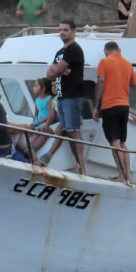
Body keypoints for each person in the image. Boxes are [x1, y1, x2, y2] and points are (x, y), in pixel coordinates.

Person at [45, 21, 87, 174]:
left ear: (74, 32)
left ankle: (82, 168)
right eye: (60, 30)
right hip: (61, 96)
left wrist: (57, 70)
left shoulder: (74, 50)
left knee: (74, 130)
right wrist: (58, 70)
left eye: (66, 30)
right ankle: (77, 165)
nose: (62, 32)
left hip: (72, 95)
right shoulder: (59, 52)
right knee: (69, 131)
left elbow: (56, 69)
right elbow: (49, 74)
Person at [93, 41, 136, 182]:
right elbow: (134, 84)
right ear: (119, 50)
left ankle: (121, 175)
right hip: (124, 105)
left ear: (106, 51)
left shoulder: (104, 62)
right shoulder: (128, 63)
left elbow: (100, 83)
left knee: (114, 142)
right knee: (122, 142)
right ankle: (128, 175)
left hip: (110, 105)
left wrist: (95, 106)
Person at [26, 77, 57, 158]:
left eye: (36, 86)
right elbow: (36, 114)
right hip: (38, 125)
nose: (34, 88)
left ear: (43, 89)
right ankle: (28, 153)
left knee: (35, 144)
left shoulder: (49, 99)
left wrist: (40, 123)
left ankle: (32, 156)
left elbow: (51, 114)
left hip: (45, 124)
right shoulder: (37, 100)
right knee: (30, 142)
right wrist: (34, 123)